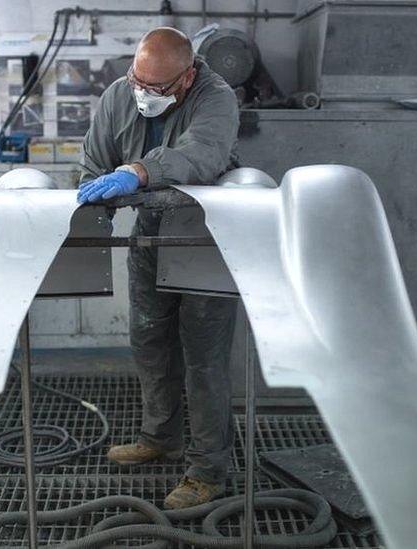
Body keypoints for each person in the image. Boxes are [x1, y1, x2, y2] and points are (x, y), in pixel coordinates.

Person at [77, 27, 239, 509]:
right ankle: (160, 436)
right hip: (151, 232)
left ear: (187, 78)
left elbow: (203, 155)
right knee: (149, 340)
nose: (143, 94)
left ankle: (208, 471)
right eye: (137, 81)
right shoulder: (118, 95)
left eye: (158, 87)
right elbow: (95, 160)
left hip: (204, 234)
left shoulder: (217, 98)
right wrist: (89, 203)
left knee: (204, 357)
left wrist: (138, 171)